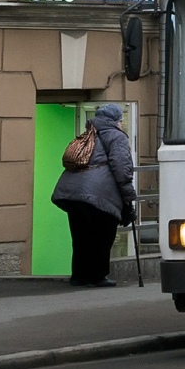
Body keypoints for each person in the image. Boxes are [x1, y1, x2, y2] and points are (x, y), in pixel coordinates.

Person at [51, 104, 137, 288]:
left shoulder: (87, 133)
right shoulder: (117, 136)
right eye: (121, 120)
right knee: (103, 235)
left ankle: (79, 276)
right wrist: (128, 194)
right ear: (116, 121)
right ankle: (97, 276)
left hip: (71, 192)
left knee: (81, 236)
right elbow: (121, 166)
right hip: (98, 193)